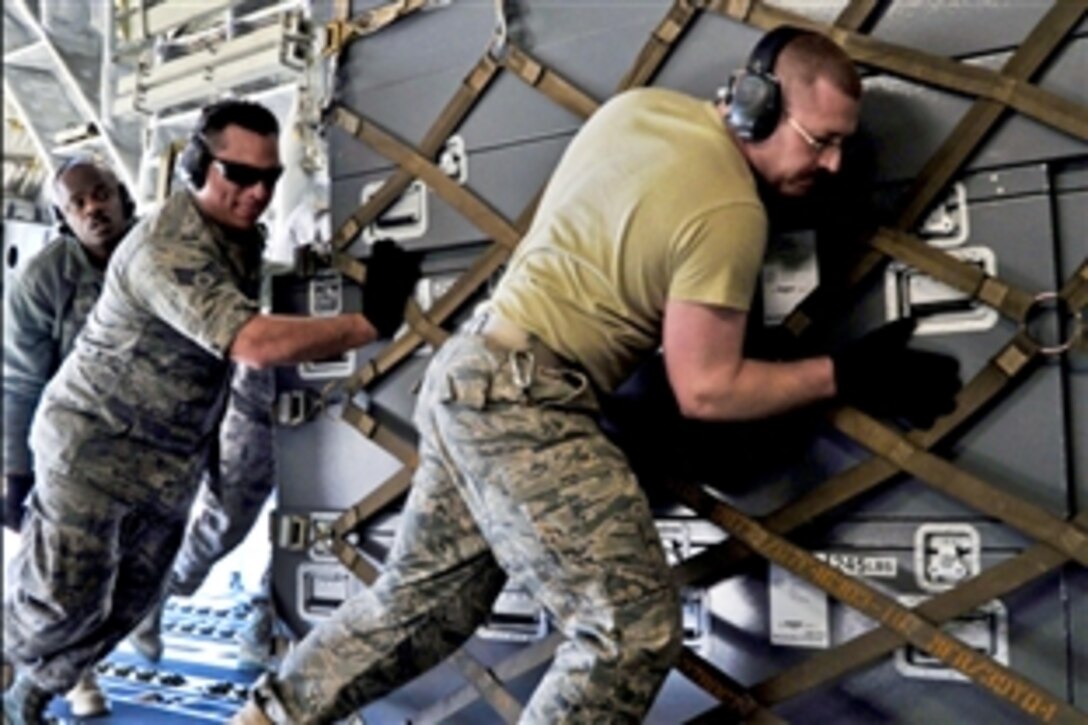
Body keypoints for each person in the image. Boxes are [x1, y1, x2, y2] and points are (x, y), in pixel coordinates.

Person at [232, 28, 961, 724]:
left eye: (842, 144)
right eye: (821, 140)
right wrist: (845, 371)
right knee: (630, 626)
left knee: (422, 606)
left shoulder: (638, 109)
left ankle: (266, 716)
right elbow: (707, 388)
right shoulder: (733, 212)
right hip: (527, 401)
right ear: (755, 108)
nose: (832, 164)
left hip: (469, 372)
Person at [2, 99, 420, 725]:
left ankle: (26, 699)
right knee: (56, 606)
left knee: (127, 605)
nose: (258, 193)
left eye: (270, 179)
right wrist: (367, 322)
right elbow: (250, 341)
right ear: (198, 164)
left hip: (164, 464)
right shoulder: (164, 246)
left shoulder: (237, 239)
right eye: (240, 176)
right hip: (91, 453)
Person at [2, 157, 137, 719]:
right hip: (72, 451)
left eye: (99, 194)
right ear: (63, 217)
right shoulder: (44, 280)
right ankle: (67, 677)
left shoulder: (157, 254)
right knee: (67, 578)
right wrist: (12, 471)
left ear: (122, 197)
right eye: (77, 203)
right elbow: (19, 379)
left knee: (130, 576)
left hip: (150, 446)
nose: (92, 209)